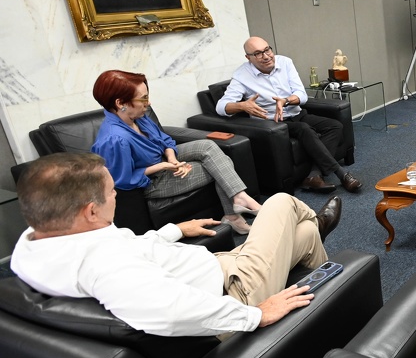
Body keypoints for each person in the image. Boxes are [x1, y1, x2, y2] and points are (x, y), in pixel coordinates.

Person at [11, 152, 344, 337]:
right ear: (91, 211)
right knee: (281, 202)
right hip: (237, 289)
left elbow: (131, 249)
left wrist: (174, 231)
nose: (115, 196)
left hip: (221, 267)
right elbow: (171, 313)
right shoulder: (106, 264)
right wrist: (255, 315)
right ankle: (319, 225)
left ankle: (330, 301)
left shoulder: (36, 242)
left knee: (304, 236)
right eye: (112, 193)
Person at [90, 69, 260, 235]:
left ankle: (239, 198)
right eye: (143, 98)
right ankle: (233, 214)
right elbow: (122, 180)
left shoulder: (137, 117)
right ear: (120, 103)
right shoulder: (114, 139)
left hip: (163, 160)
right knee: (222, 165)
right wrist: (162, 167)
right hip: (151, 181)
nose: (148, 103)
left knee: (208, 147)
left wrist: (172, 159)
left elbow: (164, 139)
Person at [215, 37, 361, 193]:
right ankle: (341, 174)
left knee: (334, 126)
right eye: (258, 53)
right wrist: (242, 105)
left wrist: (286, 101)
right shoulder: (241, 75)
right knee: (304, 129)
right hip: (274, 124)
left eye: (267, 50)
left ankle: (314, 175)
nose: (266, 56)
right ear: (248, 57)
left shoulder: (285, 62)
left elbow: (301, 95)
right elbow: (221, 107)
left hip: (296, 113)